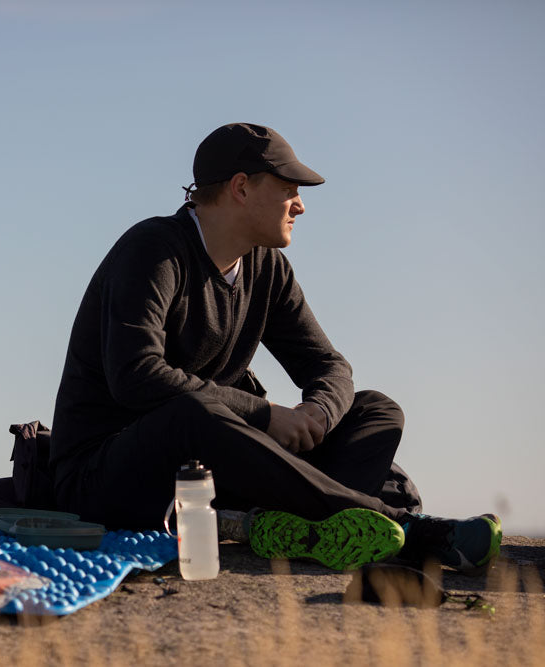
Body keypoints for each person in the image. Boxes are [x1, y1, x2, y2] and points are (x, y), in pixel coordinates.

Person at [50, 123, 501, 574]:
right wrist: (264, 416)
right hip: (106, 478)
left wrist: (316, 416)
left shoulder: (268, 269)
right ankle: (407, 529)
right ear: (241, 188)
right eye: (289, 190)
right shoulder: (153, 251)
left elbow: (328, 365)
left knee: (375, 410)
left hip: (214, 474)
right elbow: (137, 375)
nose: (300, 206)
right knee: (194, 413)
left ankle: (287, 525)